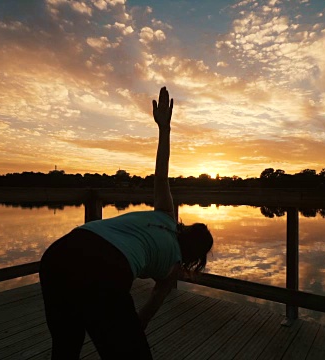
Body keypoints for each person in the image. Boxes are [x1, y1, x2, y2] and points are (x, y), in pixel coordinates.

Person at [39, 87, 214, 360]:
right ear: (196, 257)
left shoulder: (165, 214)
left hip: (61, 251)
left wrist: (164, 129)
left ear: (185, 227)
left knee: (65, 347)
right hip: (105, 266)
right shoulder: (172, 270)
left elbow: (161, 174)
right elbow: (144, 316)